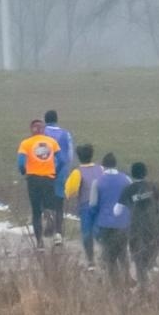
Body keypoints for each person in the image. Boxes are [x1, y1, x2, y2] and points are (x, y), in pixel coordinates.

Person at [16, 118, 64, 250]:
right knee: (51, 207)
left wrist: (24, 171)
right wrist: (56, 171)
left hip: (33, 179)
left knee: (36, 211)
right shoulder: (52, 142)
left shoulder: (26, 143)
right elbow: (61, 160)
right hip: (48, 178)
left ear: (32, 129)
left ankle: (39, 243)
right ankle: (55, 232)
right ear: (43, 129)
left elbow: (21, 162)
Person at [119, 162, 159, 290]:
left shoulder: (128, 189)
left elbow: (117, 210)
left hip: (136, 227)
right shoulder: (154, 186)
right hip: (154, 226)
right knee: (153, 249)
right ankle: (154, 268)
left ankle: (144, 285)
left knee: (138, 257)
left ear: (132, 174)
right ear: (145, 173)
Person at [92, 153, 132, 282]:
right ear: (115, 164)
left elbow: (93, 204)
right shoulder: (126, 179)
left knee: (109, 254)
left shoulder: (97, 182)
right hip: (123, 222)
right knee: (123, 251)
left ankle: (114, 282)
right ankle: (127, 277)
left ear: (103, 166)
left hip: (105, 223)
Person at [66, 145, 103, 267]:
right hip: (100, 204)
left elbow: (71, 191)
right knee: (100, 231)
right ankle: (106, 256)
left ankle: (90, 260)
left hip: (85, 205)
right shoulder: (100, 169)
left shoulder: (77, 172)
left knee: (87, 233)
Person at [42, 110, 74, 246]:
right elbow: (70, 155)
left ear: (45, 120)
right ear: (57, 119)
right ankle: (58, 233)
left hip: (44, 171)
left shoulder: (42, 134)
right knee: (59, 202)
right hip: (61, 172)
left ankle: (48, 221)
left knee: (45, 199)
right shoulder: (66, 134)